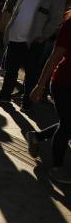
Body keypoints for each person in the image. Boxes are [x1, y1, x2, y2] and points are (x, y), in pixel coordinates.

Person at [0, 0, 65, 110]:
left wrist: (44, 36)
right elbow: (16, 14)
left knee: (31, 74)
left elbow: (56, 19)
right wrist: (8, 33)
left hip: (33, 42)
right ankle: (5, 95)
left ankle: (27, 102)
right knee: (10, 71)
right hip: (15, 39)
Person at [26, 11, 71, 184]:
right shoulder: (69, 25)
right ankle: (57, 167)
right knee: (67, 125)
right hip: (64, 84)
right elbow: (54, 57)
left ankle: (37, 137)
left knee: (67, 123)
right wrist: (40, 85)